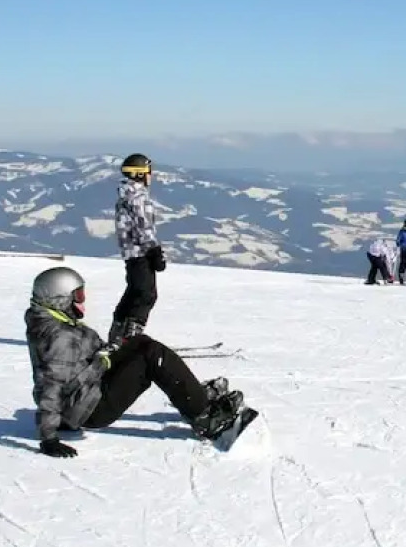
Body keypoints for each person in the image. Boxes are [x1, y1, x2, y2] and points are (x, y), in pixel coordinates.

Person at [26, 266, 245, 457]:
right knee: (152, 356)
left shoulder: (54, 323)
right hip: (91, 408)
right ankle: (205, 417)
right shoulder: (59, 336)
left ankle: (194, 394)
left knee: (141, 343)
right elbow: (51, 385)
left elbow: (77, 363)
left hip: (83, 394)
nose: (82, 301)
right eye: (78, 296)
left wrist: (113, 350)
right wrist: (48, 438)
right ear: (59, 299)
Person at [108, 153, 166, 348]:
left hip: (131, 252)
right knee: (145, 294)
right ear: (140, 174)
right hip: (140, 252)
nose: (151, 176)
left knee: (134, 291)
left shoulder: (127, 194)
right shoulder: (137, 196)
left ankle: (117, 333)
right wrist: (155, 251)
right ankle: (129, 339)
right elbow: (144, 226)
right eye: (148, 171)